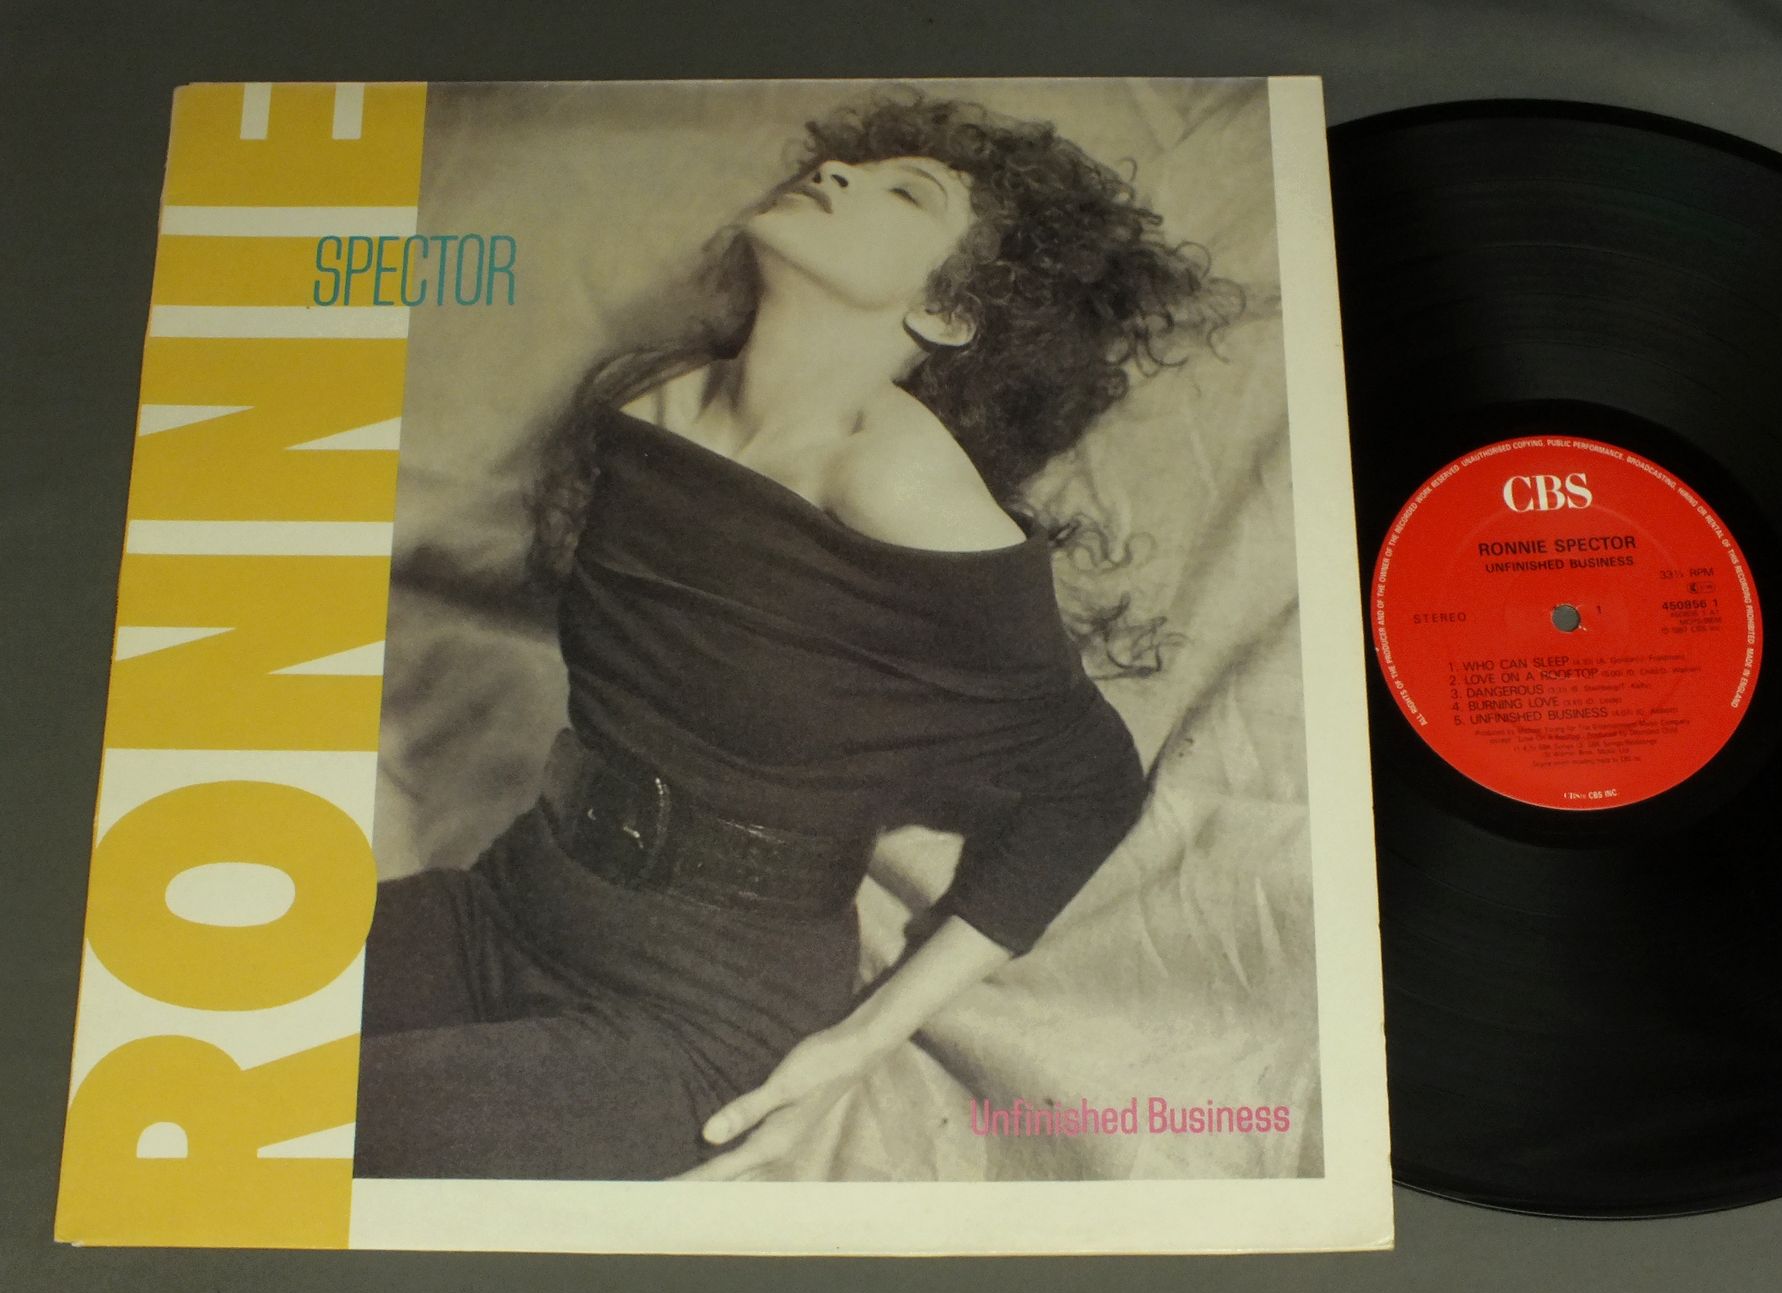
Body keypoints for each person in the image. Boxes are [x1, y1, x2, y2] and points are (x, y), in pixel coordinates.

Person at [352, 92, 1234, 1182]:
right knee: (212, 1023)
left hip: (696, 1023)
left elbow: (1089, 788)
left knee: (275, 1130)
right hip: (508, 904)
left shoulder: (900, 483)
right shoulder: (646, 411)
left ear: (946, 313)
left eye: (906, 193)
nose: (837, 175)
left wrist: (863, 1040)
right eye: (849, 166)